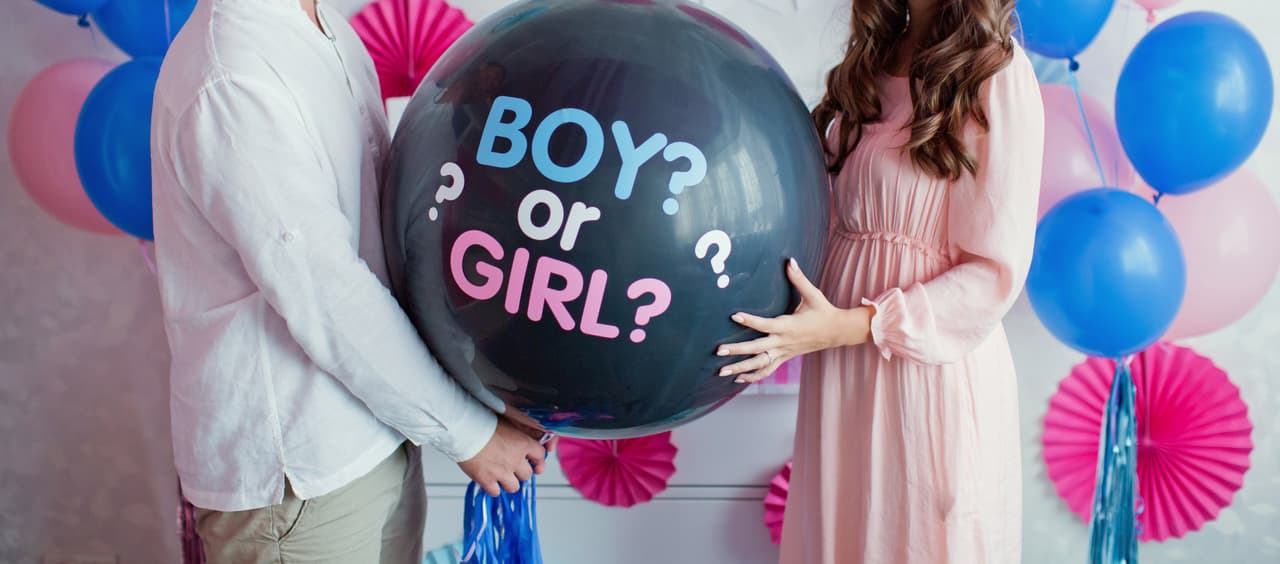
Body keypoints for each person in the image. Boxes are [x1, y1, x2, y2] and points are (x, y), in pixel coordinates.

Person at [150, 0, 546, 561]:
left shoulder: (325, 26)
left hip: (381, 427)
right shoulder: (233, 75)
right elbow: (327, 294)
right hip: (300, 473)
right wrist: (470, 432)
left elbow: (375, 222)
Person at [717, 1, 1043, 562]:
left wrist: (855, 324)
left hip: (925, 373)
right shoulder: (872, 61)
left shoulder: (995, 70)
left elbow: (993, 273)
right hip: (842, 374)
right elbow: (825, 220)